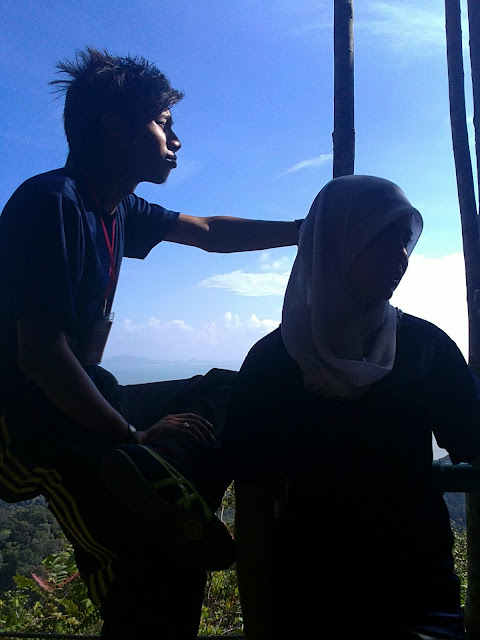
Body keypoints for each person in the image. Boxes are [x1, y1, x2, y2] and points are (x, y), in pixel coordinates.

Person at [0, 48, 301, 639]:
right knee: (146, 570)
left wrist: (303, 231)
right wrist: (130, 435)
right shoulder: (52, 202)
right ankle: (155, 489)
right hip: (26, 422)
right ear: (115, 127)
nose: (176, 139)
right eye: (164, 122)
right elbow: (40, 355)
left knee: (234, 392)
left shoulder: (116, 208)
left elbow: (208, 233)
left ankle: (171, 496)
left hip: (83, 397)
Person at [224, 175, 480, 640]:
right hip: (307, 602)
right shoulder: (272, 365)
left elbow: (474, 436)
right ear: (334, 243)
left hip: (418, 597)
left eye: (405, 240)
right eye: (383, 237)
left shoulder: (426, 348)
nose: (402, 256)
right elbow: (254, 512)